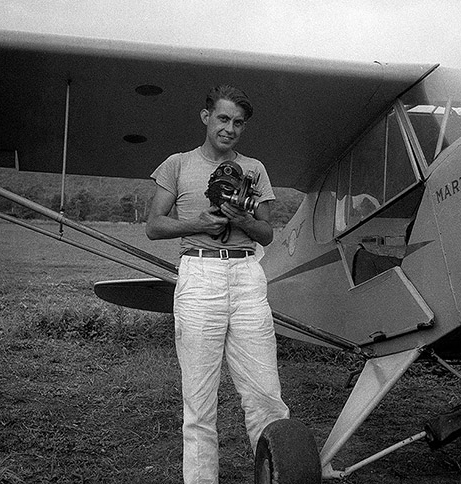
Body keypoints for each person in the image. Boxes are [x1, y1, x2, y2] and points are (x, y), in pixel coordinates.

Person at [146, 85, 290, 484]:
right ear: (205, 116)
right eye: (223, 119)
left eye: (238, 123)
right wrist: (199, 224)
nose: (230, 129)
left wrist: (241, 220)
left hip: (246, 274)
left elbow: (266, 233)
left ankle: (275, 475)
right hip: (199, 274)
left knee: (265, 395)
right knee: (199, 402)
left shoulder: (254, 169)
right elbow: (154, 226)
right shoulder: (176, 164)